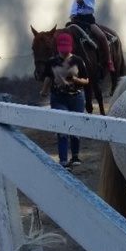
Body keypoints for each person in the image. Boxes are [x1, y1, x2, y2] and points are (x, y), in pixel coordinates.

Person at [39, 32, 90, 168]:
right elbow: (48, 77)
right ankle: (63, 160)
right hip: (58, 98)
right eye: (62, 49)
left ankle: (75, 156)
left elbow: (86, 80)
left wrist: (76, 80)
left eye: (66, 48)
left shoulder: (78, 61)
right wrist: (44, 91)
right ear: (58, 47)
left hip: (76, 97)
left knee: (75, 127)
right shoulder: (52, 62)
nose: (64, 52)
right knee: (62, 127)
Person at [70, 0, 116, 73]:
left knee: (102, 36)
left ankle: (109, 61)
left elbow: (82, 2)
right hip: (78, 21)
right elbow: (73, 11)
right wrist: (73, 16)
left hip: (88, 21)